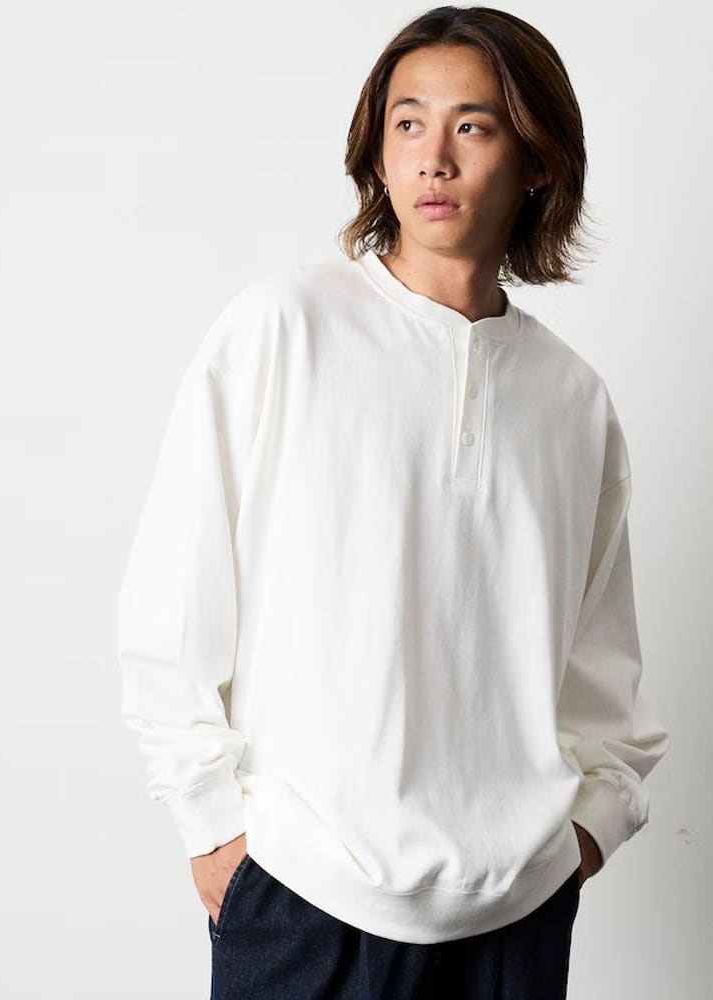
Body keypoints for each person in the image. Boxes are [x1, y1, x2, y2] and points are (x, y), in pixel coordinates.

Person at [118, 6, 669, 998]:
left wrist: (582, 835)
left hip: (515, 916)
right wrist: (215, 832)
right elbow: (174, 603)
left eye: (473, 126)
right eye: (408, 122)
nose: (433, 159)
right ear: (376, 150)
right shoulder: (285, 328)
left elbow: (603, 671)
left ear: (535, 159)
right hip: (300, 893)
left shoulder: (572, 399)